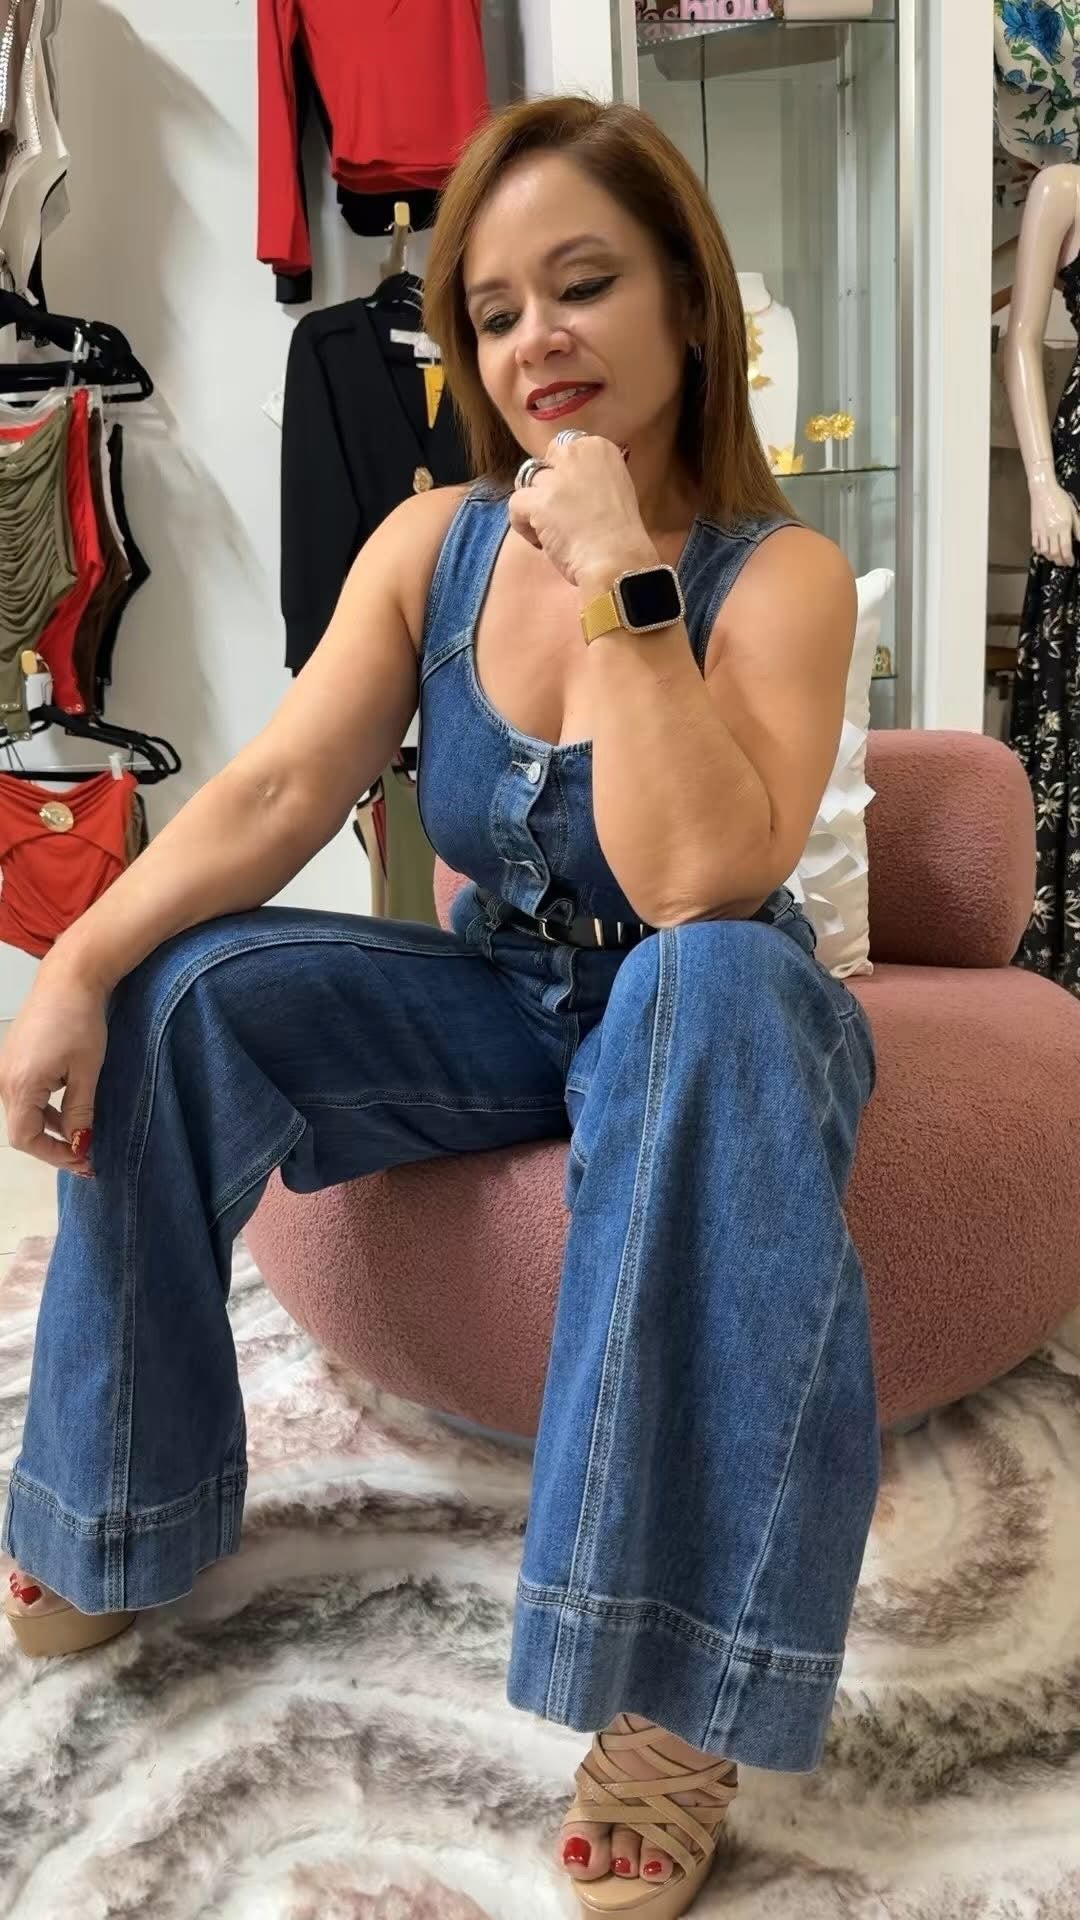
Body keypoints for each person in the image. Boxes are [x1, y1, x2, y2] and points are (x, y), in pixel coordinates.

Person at [0, 96, 878, 1920]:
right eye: (493, 309)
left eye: (585, 284)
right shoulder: (433, 543)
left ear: (687, 303)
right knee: (185, 988)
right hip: (510, 994)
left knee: (706, 978)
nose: (537, 338)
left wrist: (623, 575)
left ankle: (670, 1693)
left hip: (713, 1015)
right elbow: (270, 794)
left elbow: (698, 880)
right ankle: (117, 1501)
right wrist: (74, 964)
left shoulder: (773, 575)